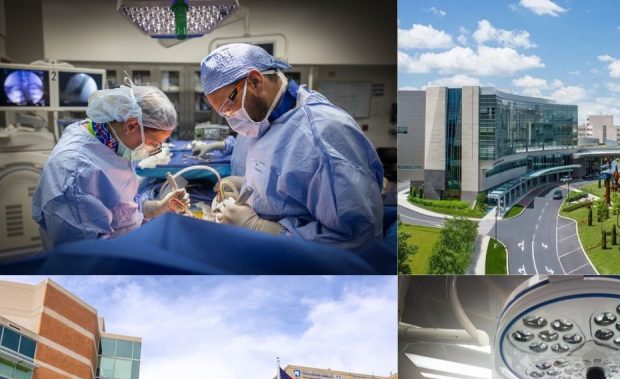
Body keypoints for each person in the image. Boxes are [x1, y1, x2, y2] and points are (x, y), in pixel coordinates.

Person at [200, 43, 383, 249]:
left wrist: (262, 229)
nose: (230, 118)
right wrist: (248, 188)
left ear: (255, 81)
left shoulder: (324, 136)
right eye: (223, 113)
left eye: (228, 107)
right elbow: (287, 187)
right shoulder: (263, 119)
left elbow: (358, 241)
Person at [32, 82, 188, 249]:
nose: (154, 150)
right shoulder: (76, 173)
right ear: (131, 126)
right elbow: (88, 256)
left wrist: (157, 207)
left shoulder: (112, 139)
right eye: (154, 143)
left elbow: (122, 205)